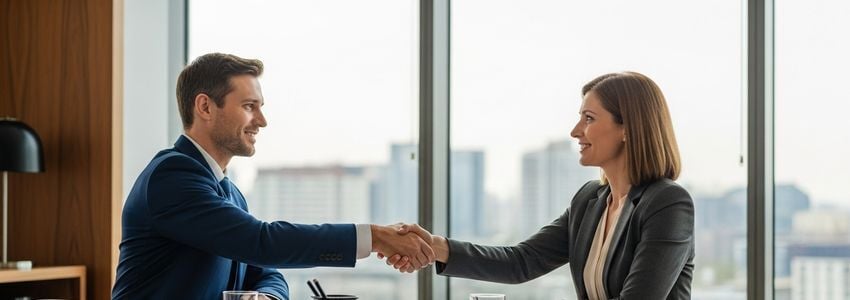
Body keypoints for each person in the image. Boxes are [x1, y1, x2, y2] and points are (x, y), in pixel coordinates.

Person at [112, 53, 434, 300]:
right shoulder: (172, 176)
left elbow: (266, 271)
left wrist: (267, 296)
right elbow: (261, 242)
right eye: (250, 106)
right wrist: (374, 236)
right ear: (205, 107)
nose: (262, 121)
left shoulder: (230, 192)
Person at [384, 72, 694, 299]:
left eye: (589, 118)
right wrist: (434, 246)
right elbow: (521, 262)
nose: (576, 131)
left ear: (627, 128)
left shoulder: (667, 203)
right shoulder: (590, 200)